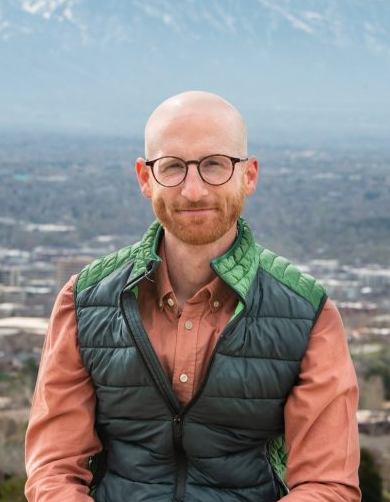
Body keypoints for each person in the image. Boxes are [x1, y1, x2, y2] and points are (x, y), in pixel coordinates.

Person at [25, 91, 360, 501]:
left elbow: (327, 485)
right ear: (145, 178)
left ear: (249, 175)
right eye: (173, 167)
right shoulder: (85, 301)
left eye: (215, 164)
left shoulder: (306, 311)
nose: (194, 190)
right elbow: (53, 470)